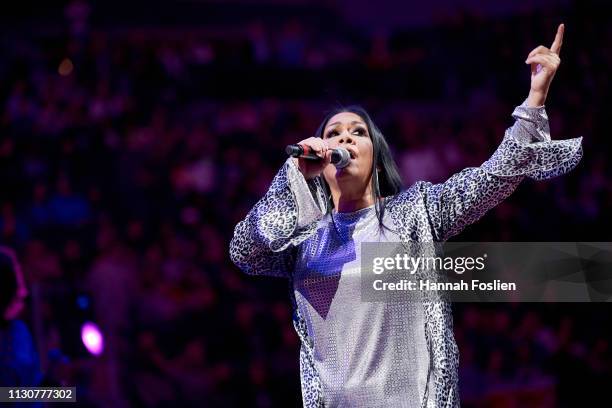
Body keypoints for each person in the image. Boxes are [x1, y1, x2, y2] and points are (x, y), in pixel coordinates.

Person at [230, 24, 582, 407]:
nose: (344, 138)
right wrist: (292, 176)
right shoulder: (302, 243)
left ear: (377, 163)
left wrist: (534, 97)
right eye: (333, 133)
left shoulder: (416, 213)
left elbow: (493, 178)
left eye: (357, 132)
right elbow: (245, 250)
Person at [0, 246, 43, 387]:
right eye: (16, 283)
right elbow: (6, 396)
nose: (23, 292)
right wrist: (62, 394)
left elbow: (32, 386)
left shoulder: (20, 331)